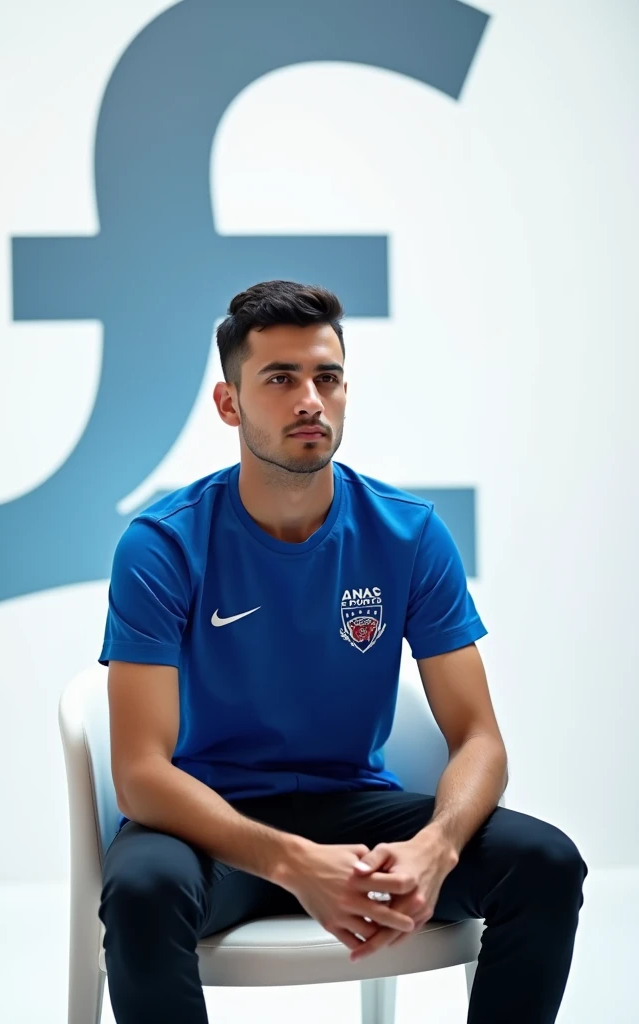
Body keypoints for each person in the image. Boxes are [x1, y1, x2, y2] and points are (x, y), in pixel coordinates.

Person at [98, 280, 588, 1024]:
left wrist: (435, 847)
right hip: (213, 823)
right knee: (140, 891)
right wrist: (293, 863)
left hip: (354, 808)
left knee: (545, 863)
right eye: (280, 378)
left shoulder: (409, 534)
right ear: (229, 404)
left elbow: (480, 739)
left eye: (326, 378)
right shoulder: (162, 545)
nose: (309, 400)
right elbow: (139, 775)